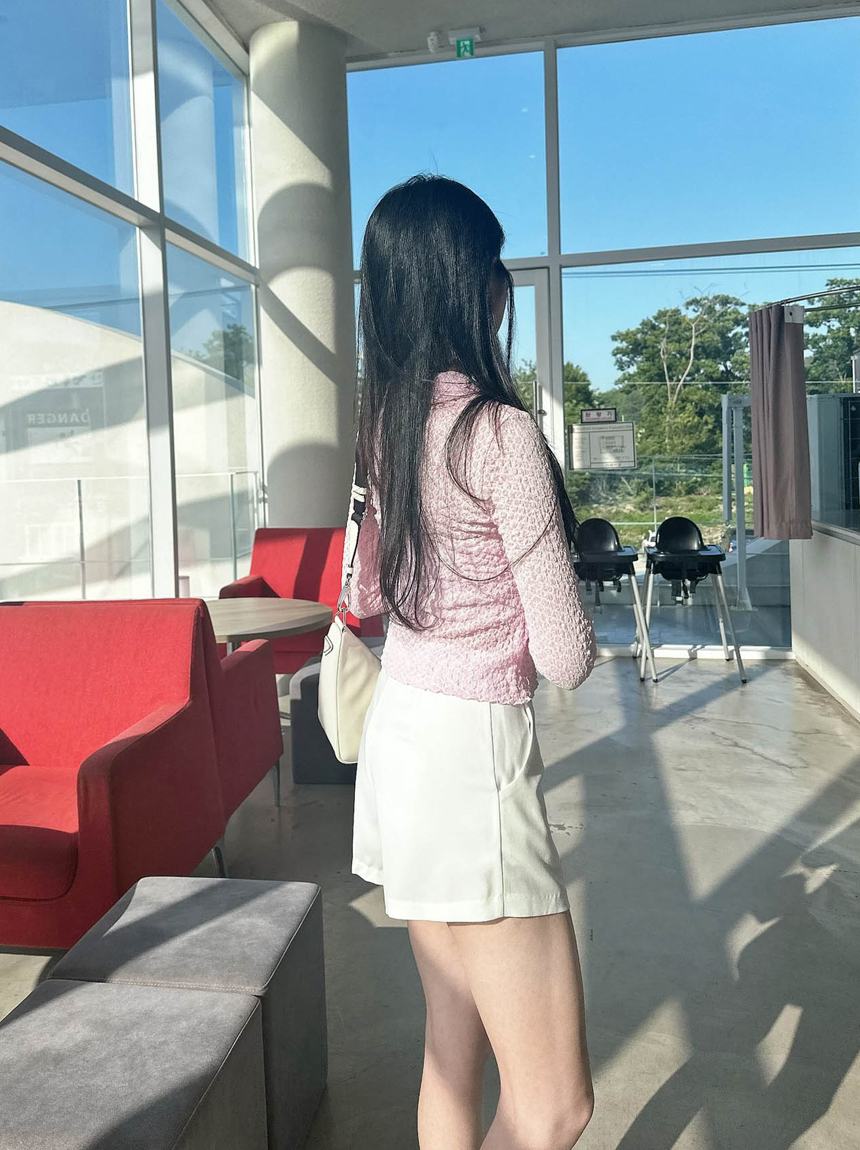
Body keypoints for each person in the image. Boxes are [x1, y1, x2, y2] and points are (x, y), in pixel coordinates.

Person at [346, 173, 598, 1150]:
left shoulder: (383, 424)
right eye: (494, 263)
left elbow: (369, 596)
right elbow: (567, 656)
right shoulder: (499, 434)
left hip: (400, 738)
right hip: (472, 765)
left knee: (451, 1051)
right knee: (554, 1105)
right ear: (468, 284)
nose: (504, 282)